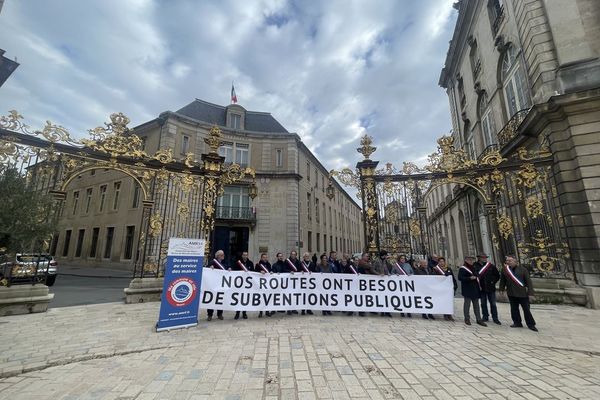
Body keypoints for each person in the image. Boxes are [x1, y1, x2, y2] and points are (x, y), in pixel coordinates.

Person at [499, 255, 537, 331]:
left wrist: (531, 294)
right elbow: (502, 280)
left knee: (526, 309)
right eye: (507, 261)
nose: (508, 262)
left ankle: (531, 324)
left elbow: (529, 282)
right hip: (511, 292)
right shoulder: (505, 270)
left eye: (510, 261)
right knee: (514, 309)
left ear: (515, 262)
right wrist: (501, 289)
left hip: (522, 293)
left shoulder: (523, 270)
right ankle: (517, 322)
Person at [458, 256, 486, 326]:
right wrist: (469, 278)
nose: (471, 261)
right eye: (469, 260)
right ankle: (467, 319)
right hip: (467, 289)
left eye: (472, 260)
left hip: (475, 288)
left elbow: (478, 275)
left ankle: (479, 319)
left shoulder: (474, 267)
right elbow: (460, 278)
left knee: (476, 305)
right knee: (467, 305)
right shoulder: (462, 268)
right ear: (466, 260)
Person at [475, 253, 501, 325]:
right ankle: (485, 316)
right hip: (481, 287)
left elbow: (497, 276)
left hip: (490, 287)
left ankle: (495, 318)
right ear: (479, 258)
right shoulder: (475, 266)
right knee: (483, 303)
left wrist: (493, 282)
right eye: (483, 257)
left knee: (493, 303)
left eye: (485, 258)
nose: (484, 259)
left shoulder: (491, 266)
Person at [432, 256, 457, 321]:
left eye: (443, 261)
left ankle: (449, 315)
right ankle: (445, 315)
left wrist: (455, 285)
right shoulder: (436, 269)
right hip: (441, 288)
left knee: (449, 302)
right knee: (444, 301)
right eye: (440, 262)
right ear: (438, 262)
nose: (441, 263)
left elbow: (452, 277)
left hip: (448, 288)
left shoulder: (448, 268)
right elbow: (434, 278)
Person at [232, 251, 253, 320]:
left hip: (247, 285)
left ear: (247, 256)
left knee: (245, 299)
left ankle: (244, 313)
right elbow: (234, 271)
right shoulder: (238, 263)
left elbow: (253, 272)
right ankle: (237, 313)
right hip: (239, 284)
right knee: (238, 298)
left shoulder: (250, 263)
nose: (245, 256)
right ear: (242, 255)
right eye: (244, 255)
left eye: (246, 255)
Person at [206, 250, 227, 321]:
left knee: (220, 299)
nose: (223, 256)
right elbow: (207, 269)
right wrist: (210, 267)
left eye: (223, 254)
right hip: (213, 284)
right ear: (218, 256)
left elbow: (227, 269)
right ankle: (209, 314)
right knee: (211, 298)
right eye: (222, 255)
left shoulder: (224, 262)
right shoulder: (213, 262)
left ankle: (220, 314)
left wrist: (229, 269)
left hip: (221, 284)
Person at [373, 251, 392, 317]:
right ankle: (382, 311)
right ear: (382, 255)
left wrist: (388, 273)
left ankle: (387, 311)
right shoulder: (376, 261)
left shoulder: (385, 261)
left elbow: (386, 268)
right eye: (385, 255)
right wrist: (378, 274)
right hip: (379, 280)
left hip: (385, 280)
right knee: (380, 296)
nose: (386, 257)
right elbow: (373, 269)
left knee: (386, 296)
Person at [255, 253, 273, 318]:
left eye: (266, 257)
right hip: (260, 284)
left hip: (267, 284)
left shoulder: (269, 264)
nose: (265, 258)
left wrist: (271, 272)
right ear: (261, 258)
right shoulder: (258, 265)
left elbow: (270, 271)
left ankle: (267, 311)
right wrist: (260, 271)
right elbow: (255, 272)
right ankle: (260, 312)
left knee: (267, 298)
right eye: (264, 257)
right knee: (261, 298)